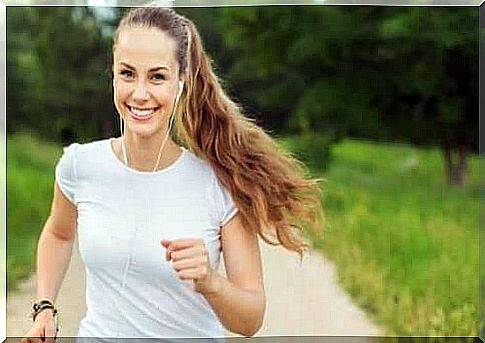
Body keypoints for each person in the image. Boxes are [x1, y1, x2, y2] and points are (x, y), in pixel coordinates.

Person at [21, 5, 324, 341]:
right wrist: (44, 307)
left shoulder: (218, 184)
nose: (139, 93)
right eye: (127, 73)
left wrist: (210, 281)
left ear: (181, 81)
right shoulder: (79, 167)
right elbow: (59, 234)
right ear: (113, 75)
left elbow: (251, 319)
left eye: (157, 76)